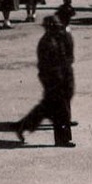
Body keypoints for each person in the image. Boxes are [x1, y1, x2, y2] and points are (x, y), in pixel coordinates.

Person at [14, 12, 77, 147]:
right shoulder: (47, 43)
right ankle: (62, 139)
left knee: (47, 107)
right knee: (61, 109)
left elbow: (69, 55)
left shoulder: (60, 37)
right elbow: (48, 66)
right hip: (54, 79)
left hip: (63, 76)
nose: (59, 29)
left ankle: (23, 126)